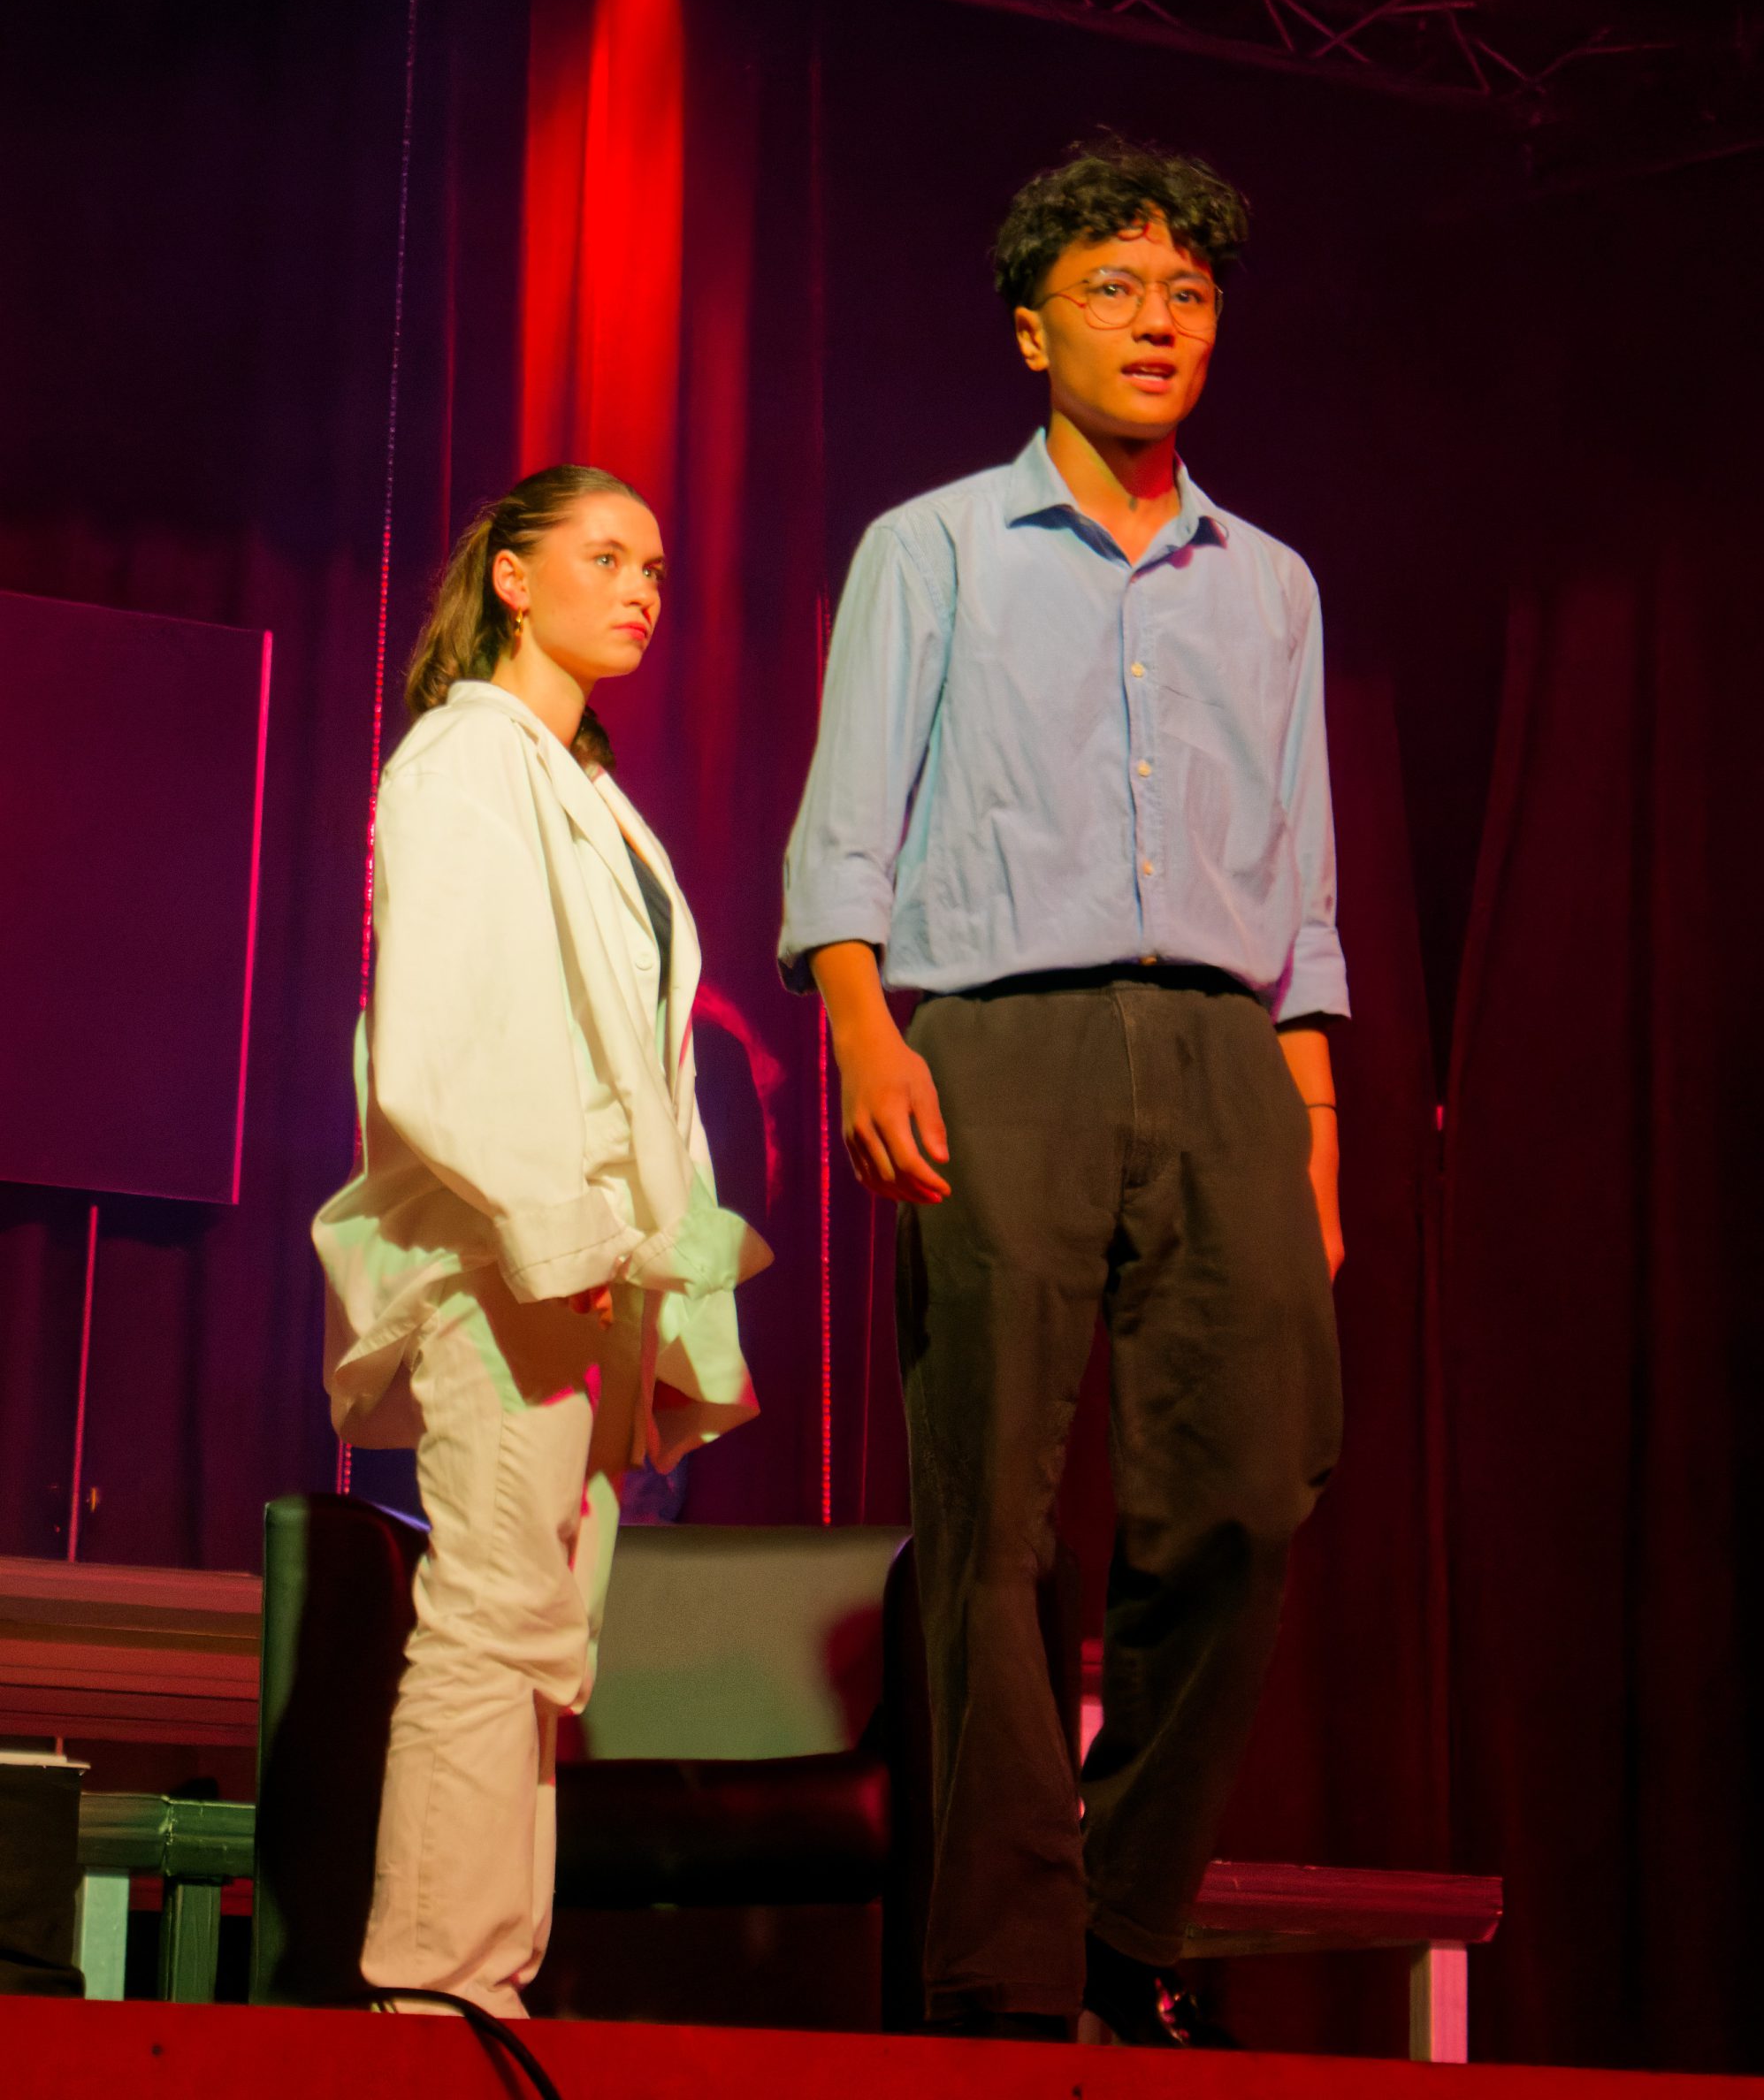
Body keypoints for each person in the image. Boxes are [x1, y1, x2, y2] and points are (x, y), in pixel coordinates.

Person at [779, 137, 1345, 2045]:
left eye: (1186, 291)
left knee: (1251, 1490)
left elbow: (1304, 878)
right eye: (1115, 288)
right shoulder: (933, 546)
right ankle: (1006, 1969)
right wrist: (865, 1030)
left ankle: (1125, 1909)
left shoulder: (1273, 584)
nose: (1157, 320)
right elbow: (848, 826)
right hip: (997, 1040)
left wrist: (1315, 1124)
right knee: (994, 1516)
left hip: (1226, 1055)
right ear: (1033, 330)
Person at [314, 463, 769, 2019]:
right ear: (512, 577)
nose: (641, 588)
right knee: (495, 1606)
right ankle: (435, 1991)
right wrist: (554, 1230)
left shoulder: (584, 792)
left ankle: (487, 1978)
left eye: (656, 567)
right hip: (513, 1258)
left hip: (589, 1266)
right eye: (606, 556)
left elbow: (644, 1077)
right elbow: (443, 1037)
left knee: (544, 1628)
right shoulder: (462, 759)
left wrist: (661, 1280)